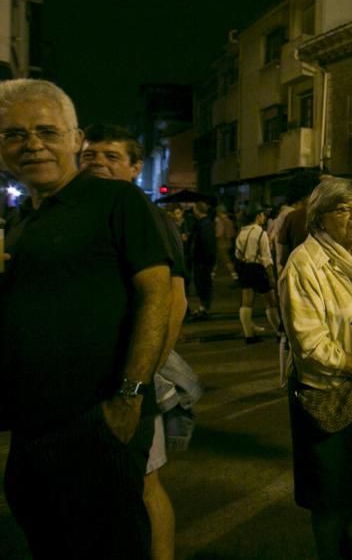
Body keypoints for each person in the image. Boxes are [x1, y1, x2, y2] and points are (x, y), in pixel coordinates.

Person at [0, 79, 172, 558]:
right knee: (47, 537)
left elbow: (157, 297)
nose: (31, 144)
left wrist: (130, 397)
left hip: (98, 417)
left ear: (76, 141)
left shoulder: (117, 202)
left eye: (46, 131)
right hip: (32, 424)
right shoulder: (21, 221)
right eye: (14, 134)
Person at [80, 123, 188, 560]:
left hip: (130, 378)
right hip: (90, 380)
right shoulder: (87, 210)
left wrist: (139, 383)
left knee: (144, 484)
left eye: (111, 157)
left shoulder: (145, 215)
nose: (100, 164)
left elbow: (174, 301)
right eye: (91, 156)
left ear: (135, 167)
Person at [277, 177, 352, 560]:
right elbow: (312, 347)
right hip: (328, 396)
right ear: (319, 217)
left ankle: (344, 543)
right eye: (344, 210)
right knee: (328, 495)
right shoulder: (305, 264)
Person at [234, 204, 281, 344]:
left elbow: (237, 254)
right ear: (257, 216)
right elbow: (266, 257)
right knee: (270, 301)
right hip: (258, 269)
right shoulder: (260, 232)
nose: (264, 218)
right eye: (262, 215)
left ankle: (248, 335)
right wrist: (271, 276)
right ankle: (279, 332)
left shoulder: (241, 232)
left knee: (246, 302)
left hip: (245, 268)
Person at [186, 201, 216, 320]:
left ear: (198, 211)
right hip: (203, 260)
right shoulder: (204, 224)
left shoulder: (204, 225)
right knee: (202, 285)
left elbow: (207, 245)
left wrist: (207, 261)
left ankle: (204, 309)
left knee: (203, 285)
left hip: (203, 261)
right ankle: (203, 308)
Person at [214, 204, 238, 280]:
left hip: (221, 244)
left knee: (225, 260)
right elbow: (232, 233)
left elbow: (219, 233)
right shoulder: (229, 221)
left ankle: (234, 275)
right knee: (223, 260)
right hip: (229, 243)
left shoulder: (220, 221)